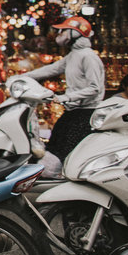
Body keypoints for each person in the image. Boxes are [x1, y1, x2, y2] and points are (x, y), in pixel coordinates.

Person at [26, 16, 105, 171]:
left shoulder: (88, 56)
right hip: (73, 111)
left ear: (75, 33)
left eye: (63, 31)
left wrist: (66, 97)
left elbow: (95, 87)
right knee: (56, 142)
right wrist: (24, 77)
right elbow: (53, 69)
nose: (59, 34)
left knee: (68, 150)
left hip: (85, 114)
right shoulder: (73, 55)